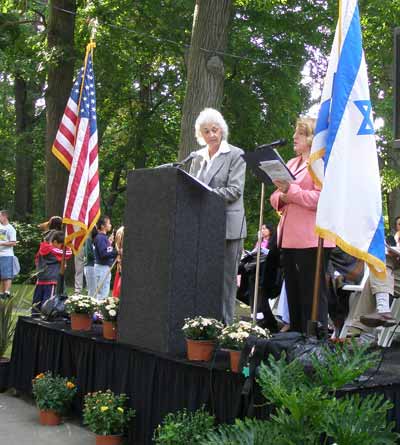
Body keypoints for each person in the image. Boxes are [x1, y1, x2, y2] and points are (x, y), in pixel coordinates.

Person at [270, 117, 334, 334]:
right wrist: (282, 196)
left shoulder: (321, 163)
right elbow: (274, 197)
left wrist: (291, 192)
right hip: (288, 238)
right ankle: (296, 339)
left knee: (312, 295)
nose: (294, 137)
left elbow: (322, 199)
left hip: (312, 239)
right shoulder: (290, 163)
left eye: (300, 133)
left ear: (311, 138)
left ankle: (316, 342)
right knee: (294, 294)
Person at [190, 107, 247, 325]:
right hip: (203, 226)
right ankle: (203, 325)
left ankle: (226, 326)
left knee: (226, 281)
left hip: (228, 227)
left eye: (215, 129)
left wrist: (206, 195)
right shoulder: (197, 158)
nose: (211, 134)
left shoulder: (235, 154)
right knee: (204, 277)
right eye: (206, 131)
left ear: (221, 130)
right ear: (201, 135)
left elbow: (234, 190)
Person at [32, 230, 72, 314]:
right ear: (54, 242)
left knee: (36, 304)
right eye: (61, 245)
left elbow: (36, 260)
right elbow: (68, 253)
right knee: (48, 305)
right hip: (51, 281)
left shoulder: (42, 248)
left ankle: (34, 318)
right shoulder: (52, 251)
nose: (61, 248)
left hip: (40, 280)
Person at [93, 216, 118, 300]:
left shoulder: (103, 238)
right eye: (109, 223)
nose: (110, 225)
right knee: (102, 293)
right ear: (103, 226)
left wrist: (110, 244)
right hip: (102, 268)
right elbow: (103, 253)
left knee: (104, 292)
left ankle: (100, 311)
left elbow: (106, 250)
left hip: (104, 267)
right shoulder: (100, 237)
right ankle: (99, 312)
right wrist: (117, 252)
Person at [0, 210, 17, 298]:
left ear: (5, 216)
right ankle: (1, 293)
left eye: (0, 216)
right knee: (1, 276)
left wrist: (1, 243)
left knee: (6, 275)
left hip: (7, 255)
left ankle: (7, 292)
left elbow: (13, 243)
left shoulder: (10, 228)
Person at [84, 230, 96, 297]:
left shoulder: (91, 240)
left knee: (92, 289)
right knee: (92, 289)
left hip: (90, 266)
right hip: (89, 266)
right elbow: (88, 254)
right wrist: (97, 257)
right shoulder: (88, 239)